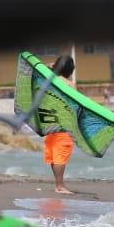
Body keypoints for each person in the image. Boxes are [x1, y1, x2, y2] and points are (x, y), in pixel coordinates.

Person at [44, 55, 77, 195]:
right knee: (61, 154)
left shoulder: (49, 80)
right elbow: (74, 105)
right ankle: (59, 186)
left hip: (49, 122)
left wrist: (52, 67)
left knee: (53, 153)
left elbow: (44, 67)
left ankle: (58, 184)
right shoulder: (70, 84)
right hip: (63, 123)